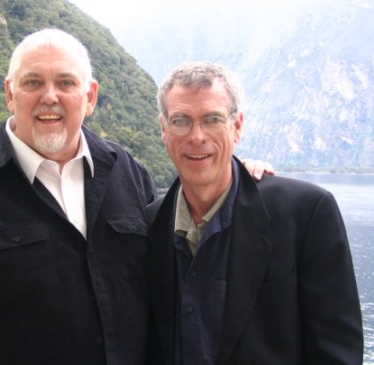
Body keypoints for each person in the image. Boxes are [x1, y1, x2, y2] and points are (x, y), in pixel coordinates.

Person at [0, 28, 270, 364]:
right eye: (33, 82)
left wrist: (234, 175)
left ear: (89, 97)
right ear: (10, 93)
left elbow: (181, 269)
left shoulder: (128, 173)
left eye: (66, 83)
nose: (50, 97)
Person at [146, 61, 364, 365]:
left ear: (237, 127)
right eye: (181, 121)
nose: (197, 136)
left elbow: (337, 350)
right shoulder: (149, 225)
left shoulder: (305, 213)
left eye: (212, 119)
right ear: (163, 130)